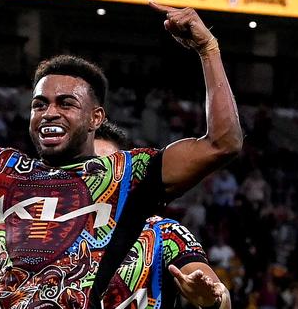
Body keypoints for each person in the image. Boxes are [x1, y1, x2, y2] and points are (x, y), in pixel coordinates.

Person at [0, 0, 242, 308]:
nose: (49, 112)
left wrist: (208, 50)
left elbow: (222, 143)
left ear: (95, 117)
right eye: (40, 104)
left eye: (66, 103)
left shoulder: (132, 174)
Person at [95, 121, 231, 309]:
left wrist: (212, 299)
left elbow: (220, 297)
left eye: (110, 168)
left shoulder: (164, 234)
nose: (100, 177)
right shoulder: (47, 233)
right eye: (91, 169)